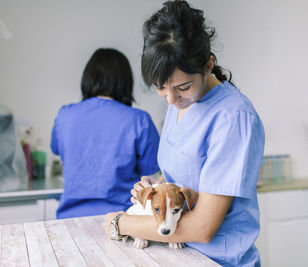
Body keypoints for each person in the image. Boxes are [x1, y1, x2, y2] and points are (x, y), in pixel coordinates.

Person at [104, 1, 265, 266]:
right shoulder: (181, 103)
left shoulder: (233, 117)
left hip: (216, 260)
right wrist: (156, 189)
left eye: (182, 86)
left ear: (208, 65)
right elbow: (182, 174)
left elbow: (203, 227)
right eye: (160, 88)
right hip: (176, 254)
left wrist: (121, 223)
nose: (170, 99)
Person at [51, 48, 160, 219]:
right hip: (121, 220)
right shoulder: (139, 120)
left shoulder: (65, 114)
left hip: (69, 219)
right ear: (125, 82)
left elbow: (57, 149)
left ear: (87, 79)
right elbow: (151, 170)